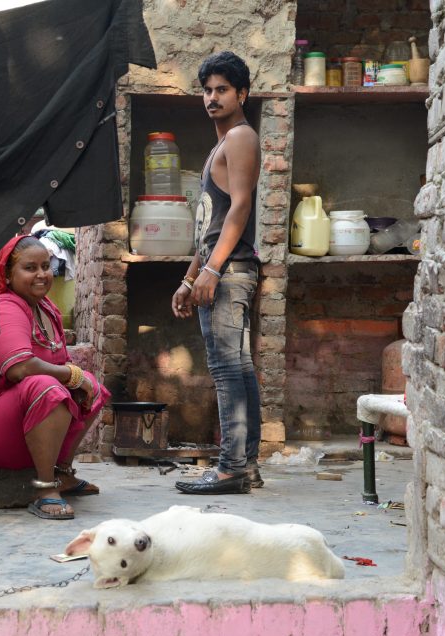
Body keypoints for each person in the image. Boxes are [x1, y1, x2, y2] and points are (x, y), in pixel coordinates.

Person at [0, 234, 110, 519]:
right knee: (49, 388)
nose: (42, 275)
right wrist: (71, 375)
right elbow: (18, 368)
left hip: (20, 415)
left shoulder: (44, 307)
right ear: (8, 275)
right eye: (30, 268)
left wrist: (77, 379)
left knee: (92, 388)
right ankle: (45, 488)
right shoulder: (4, 307)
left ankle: (62, 473)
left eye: (46, 266)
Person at [172, 51, 263, 495]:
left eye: (222, 90)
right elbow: (212, 220)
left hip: (229, 272)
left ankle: (230, 469)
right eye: (207, 90)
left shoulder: (242, 137)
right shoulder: (221, 146)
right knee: (240, 369)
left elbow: (241, 207)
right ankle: (246, 466)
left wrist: (211, 269)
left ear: (241, 93)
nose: (212, 97)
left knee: (227, 372)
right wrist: (190, 277)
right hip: (219, 268)